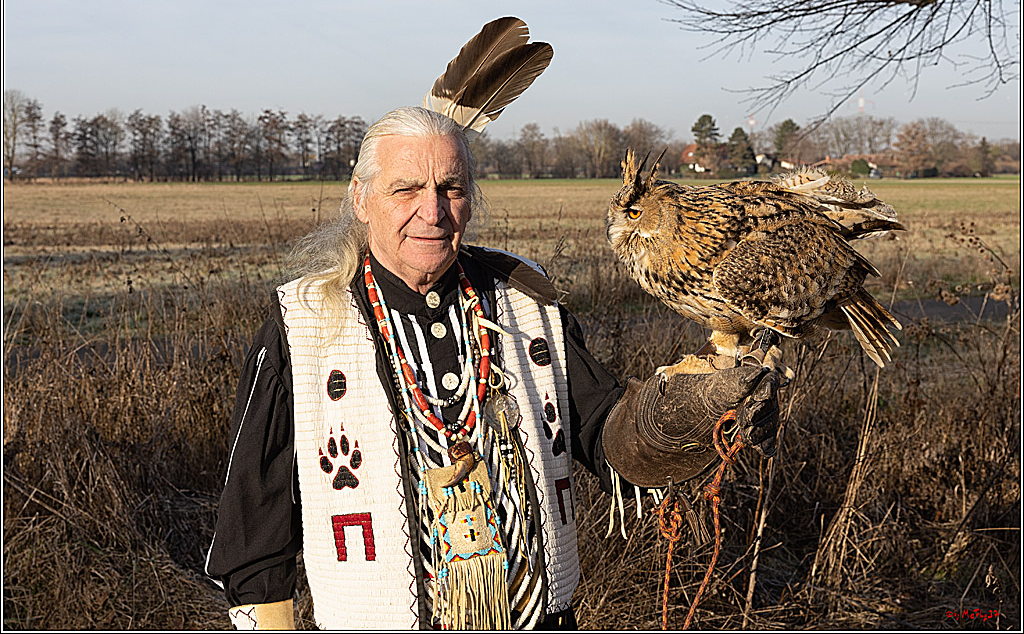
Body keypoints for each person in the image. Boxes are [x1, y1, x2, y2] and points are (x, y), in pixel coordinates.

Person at [205, 106, 780, 630]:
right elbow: (255, 529)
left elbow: (605, 429)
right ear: (361, 198)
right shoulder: (303, 325)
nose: (431, 211)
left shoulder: (525, 303)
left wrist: (694, 413)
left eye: (450, 188)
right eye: (405, 189)